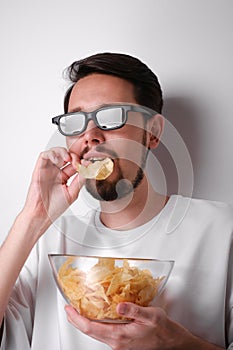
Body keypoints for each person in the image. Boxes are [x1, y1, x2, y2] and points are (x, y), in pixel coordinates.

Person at [0, 52, 232, 350]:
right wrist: (33, 217)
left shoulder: (222, 230)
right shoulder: (47, 239)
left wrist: (177, 344)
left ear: (153, 132)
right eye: (76, 121)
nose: (90, 135)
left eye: (111, 117)